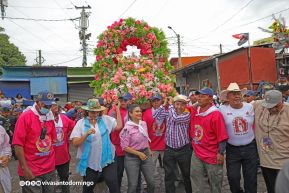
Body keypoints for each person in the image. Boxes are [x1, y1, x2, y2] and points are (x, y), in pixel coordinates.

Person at [70, 98, 122, 193]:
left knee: (113, 184)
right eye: (92, 112)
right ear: (87, 111)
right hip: (90, 161)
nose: (95, 114)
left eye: (97, 112)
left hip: (108, 158)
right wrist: (86, 135)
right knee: (88, 188)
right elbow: (75, 143)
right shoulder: (80, 123)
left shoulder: (105, 119)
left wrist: (117, 109)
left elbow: (118, 126)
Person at [12, 91, 57, 193]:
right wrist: (24, 168)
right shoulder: (25, 117)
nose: (48, 107)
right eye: (45, 105)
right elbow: (18, 144)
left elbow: (51, 140)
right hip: (31, 170)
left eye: (50, 105)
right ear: (37, 102)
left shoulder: (50, 117)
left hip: (49, 169)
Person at [219, 83, 258, 193]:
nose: (237, 96)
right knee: (233, 177)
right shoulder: (222, 109)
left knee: (251, 178)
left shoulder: (250, 107)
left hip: (250, 148)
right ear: (228, 97)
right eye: (233, 94)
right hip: (232, 150)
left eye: (238, 94)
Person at [190, 87, 228, 193]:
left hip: (212, 154)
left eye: (202, 96)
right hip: (197, 152)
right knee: (196, 179)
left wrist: (221, 153)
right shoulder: (195, 111)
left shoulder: (215, 114)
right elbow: (182, 109)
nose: (199, 98)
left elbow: (222, 135)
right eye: (198, 96)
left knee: (215, 182)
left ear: (210, 99)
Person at [153, 94, 192, 193]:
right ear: (174, 104)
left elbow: (175, 118)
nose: (179, 107)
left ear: (185, 106)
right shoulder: (170, 111)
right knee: (169, 175)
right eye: (177, 104)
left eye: (182, 104)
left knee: (186, 174)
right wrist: (164, 104)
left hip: (184, 150)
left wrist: (170, 105)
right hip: (169, 149)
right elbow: (155, 115)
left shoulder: (186, 115)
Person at [253, 90, 289, 193]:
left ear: (282, 101)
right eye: (269, 106)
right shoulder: (259, 106)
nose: (272, 109)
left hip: (284, 161)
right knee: (271, 189)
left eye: (275, 106)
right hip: (266, 160)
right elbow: (240, 105)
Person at [120, 104, 155, 193]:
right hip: (132, 157)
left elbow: (145, 137)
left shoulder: (143, 124)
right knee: (133, 185)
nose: (139, 113)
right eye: (137, 111)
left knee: (151, 182)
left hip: (145, 154)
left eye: (140, 111)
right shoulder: (126, 129)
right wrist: (139, 153)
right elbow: (124, 147)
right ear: (130, 114)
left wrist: (149, 149)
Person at [108, 92, 133, 188]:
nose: (122, 102)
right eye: (121, 100)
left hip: (132, 146)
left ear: (130, 101)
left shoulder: (133, 110)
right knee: (118, 172)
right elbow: (114, 127)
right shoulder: (113, 111)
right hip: (118, 147)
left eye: (125, 100)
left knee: (134, 173)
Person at [51, 102, 75, 193]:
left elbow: (74, 126)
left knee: (64, 179)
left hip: (63, 157)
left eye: (55, 105)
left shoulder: (64, 118)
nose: (54, 107)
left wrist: (68, 135)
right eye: (51, 105)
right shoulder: (43, 120)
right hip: (49, 158)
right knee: (50, 182)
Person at [142, 93, 166, 172]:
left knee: (167, 167)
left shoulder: (166, 111)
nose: (156, 102)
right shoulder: (146, 113)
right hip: (152, 145)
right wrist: (147, 146)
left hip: (164, 145)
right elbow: (144, 130)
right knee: (150, 168)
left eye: (158, 100)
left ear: (161, 101)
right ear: (151, 102)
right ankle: (148, 183)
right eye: (154, 101)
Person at [0, 125, 12, 193]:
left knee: (7, 188)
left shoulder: (1, 129)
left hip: (2, 164)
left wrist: (6, 155)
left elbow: (6, 145)